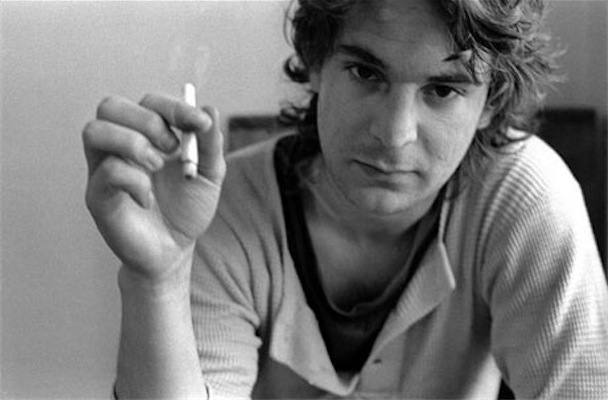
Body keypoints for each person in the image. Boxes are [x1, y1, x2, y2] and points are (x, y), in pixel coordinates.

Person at [83, 0, 608, 398]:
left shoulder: (524, 199)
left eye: (443, 90)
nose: (395, 136)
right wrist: (159, 278)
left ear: (491, 101)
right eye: (366, 73)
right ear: (316, 61)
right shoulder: (226, 208)